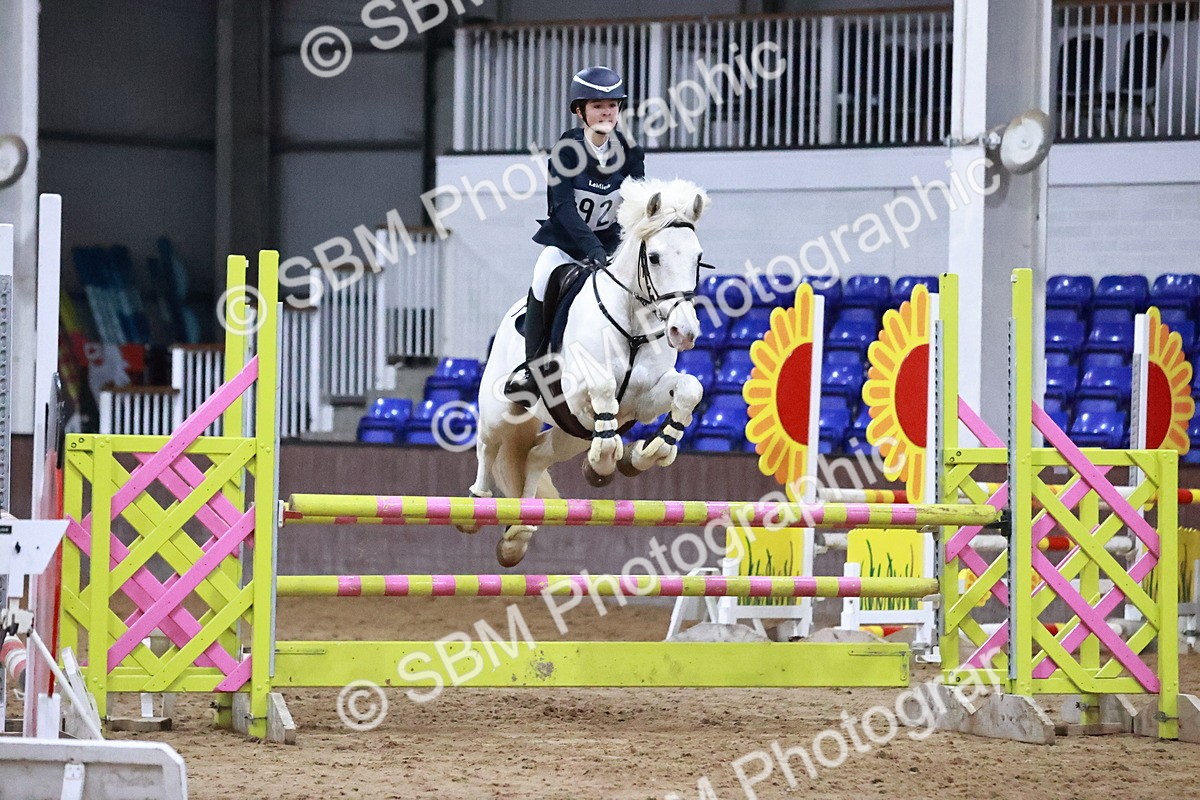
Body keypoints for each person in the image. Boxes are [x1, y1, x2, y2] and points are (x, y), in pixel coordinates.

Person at [504, 65, 646, 403]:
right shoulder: (566, 151)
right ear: (580, 111)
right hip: (568, 244)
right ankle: (533, 369)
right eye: (597, 106)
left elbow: (637, 204)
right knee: (542, 275)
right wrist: (592, 248)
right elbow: (564, 208)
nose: (606, 112)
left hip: (612, 246)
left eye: (612, 105)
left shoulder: (631, 153)